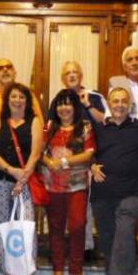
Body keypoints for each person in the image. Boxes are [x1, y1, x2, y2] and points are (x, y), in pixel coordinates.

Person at [90, 87, 138, 275]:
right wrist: (91, 166)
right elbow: (86, 150)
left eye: (123, 101)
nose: (119, 104)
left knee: (125, 232)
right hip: (103, 192)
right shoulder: (99, 129)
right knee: (108, 236)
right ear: (109, 103)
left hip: (130, 192)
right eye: (115, 101)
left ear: (130, 104)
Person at [49, 61, 107, 263]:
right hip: (61, 165)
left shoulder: (94, 96)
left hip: (91, 159)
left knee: (83, 209)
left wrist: (87, 105)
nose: (71, 75)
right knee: (63, 211)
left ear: (81, 75)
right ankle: (67, 247)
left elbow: (104, 122)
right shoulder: (59, 100)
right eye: (67, 73)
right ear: (63, 78)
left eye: (75, 72)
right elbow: (51, 129)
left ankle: (86, 247)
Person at [0, 82, 43, 275]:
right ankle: (7, 271)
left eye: (21, 97)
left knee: (27, 226)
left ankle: (31, 274)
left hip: (25, 181)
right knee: (1, 226)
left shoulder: (35, 121)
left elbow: (35, 153)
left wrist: (23, 177)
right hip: (1, 179)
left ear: (27, 100)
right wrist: (12, 171)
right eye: (13, 97)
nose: (17, 100)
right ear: (7, 100)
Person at [42, 89, 96, 275]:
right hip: (53, 186)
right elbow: (39, 152)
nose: (64, 108)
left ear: (75, 106)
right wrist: (48, 161)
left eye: (68, 104)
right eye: (60, 104)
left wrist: (63, 160)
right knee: (55, 228)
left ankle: (76, 271)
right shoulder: (49, 127)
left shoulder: (85, 128)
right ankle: (57, 270)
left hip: (77, 186)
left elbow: (89, 154)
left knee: (77, 226)